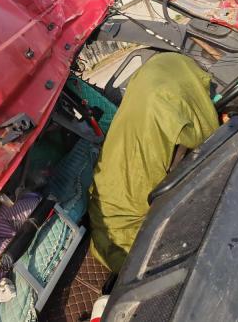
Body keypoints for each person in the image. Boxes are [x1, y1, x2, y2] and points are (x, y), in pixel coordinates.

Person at [88, 52, 219, 272]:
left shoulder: (157, 95)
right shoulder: (163, 89)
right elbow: (201, 138)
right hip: (120, 215)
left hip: (115, 196)